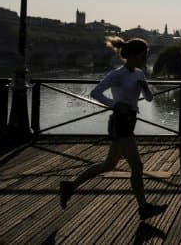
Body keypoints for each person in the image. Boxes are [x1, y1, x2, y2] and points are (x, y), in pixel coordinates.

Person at [59, 37, 167, 220]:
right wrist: (115, 104)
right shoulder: (117, 74)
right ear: (132, 55)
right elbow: (95, 92)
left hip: (130, 122)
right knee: (137, 166)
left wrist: (146, 89)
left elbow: (148, 99)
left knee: (108, 165)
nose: (145, 59)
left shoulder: (139, 74)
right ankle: (143, 207)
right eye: (143, 55)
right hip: (120, 123)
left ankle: (70, 186)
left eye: (146, 55)